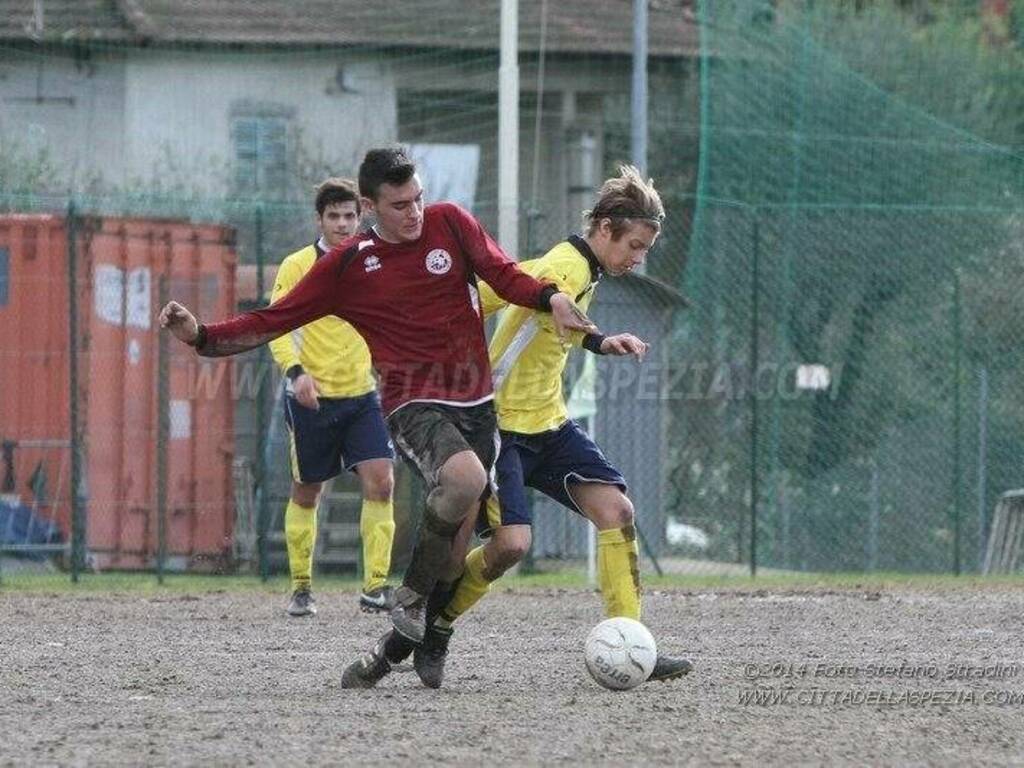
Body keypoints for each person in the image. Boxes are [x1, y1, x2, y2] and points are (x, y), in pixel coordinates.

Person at [158, 147, 596, 681]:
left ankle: (387, 655)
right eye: (399, 205)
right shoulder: (346, 266)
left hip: (476, 407)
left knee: (455, 561)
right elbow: (274, 318)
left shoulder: (450, 223)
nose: (414, 213)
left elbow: (504, 275)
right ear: (369, 206)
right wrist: (201, 337)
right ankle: (407, 596)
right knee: (464, 478)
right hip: (412, 404)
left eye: (417, 200)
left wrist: (549, 296)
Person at [369, 165, 694, 689]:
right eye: (635, 245)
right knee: (511, 547)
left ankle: (632, 640)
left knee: (617, 511)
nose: (639, 257)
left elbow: (521, 299)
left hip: (550, 423)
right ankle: (440, 627)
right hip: (502, 428)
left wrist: (600, 341)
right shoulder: (565, 266)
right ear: (606, 229)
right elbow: (524, 297)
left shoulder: (583, 269)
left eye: (646, 248)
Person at [268, 178, 396, 618]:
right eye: (333, 217)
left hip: (363, 396)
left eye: (349, 216)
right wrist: (296, 372)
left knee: (382, 481)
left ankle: (375, 587)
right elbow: (276, 326)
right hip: (312, 400)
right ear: (319, 219)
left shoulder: (375, 263)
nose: (343, 224)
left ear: (361, 217)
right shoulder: (298, 266)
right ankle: (302, 587)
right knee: (307, 493)